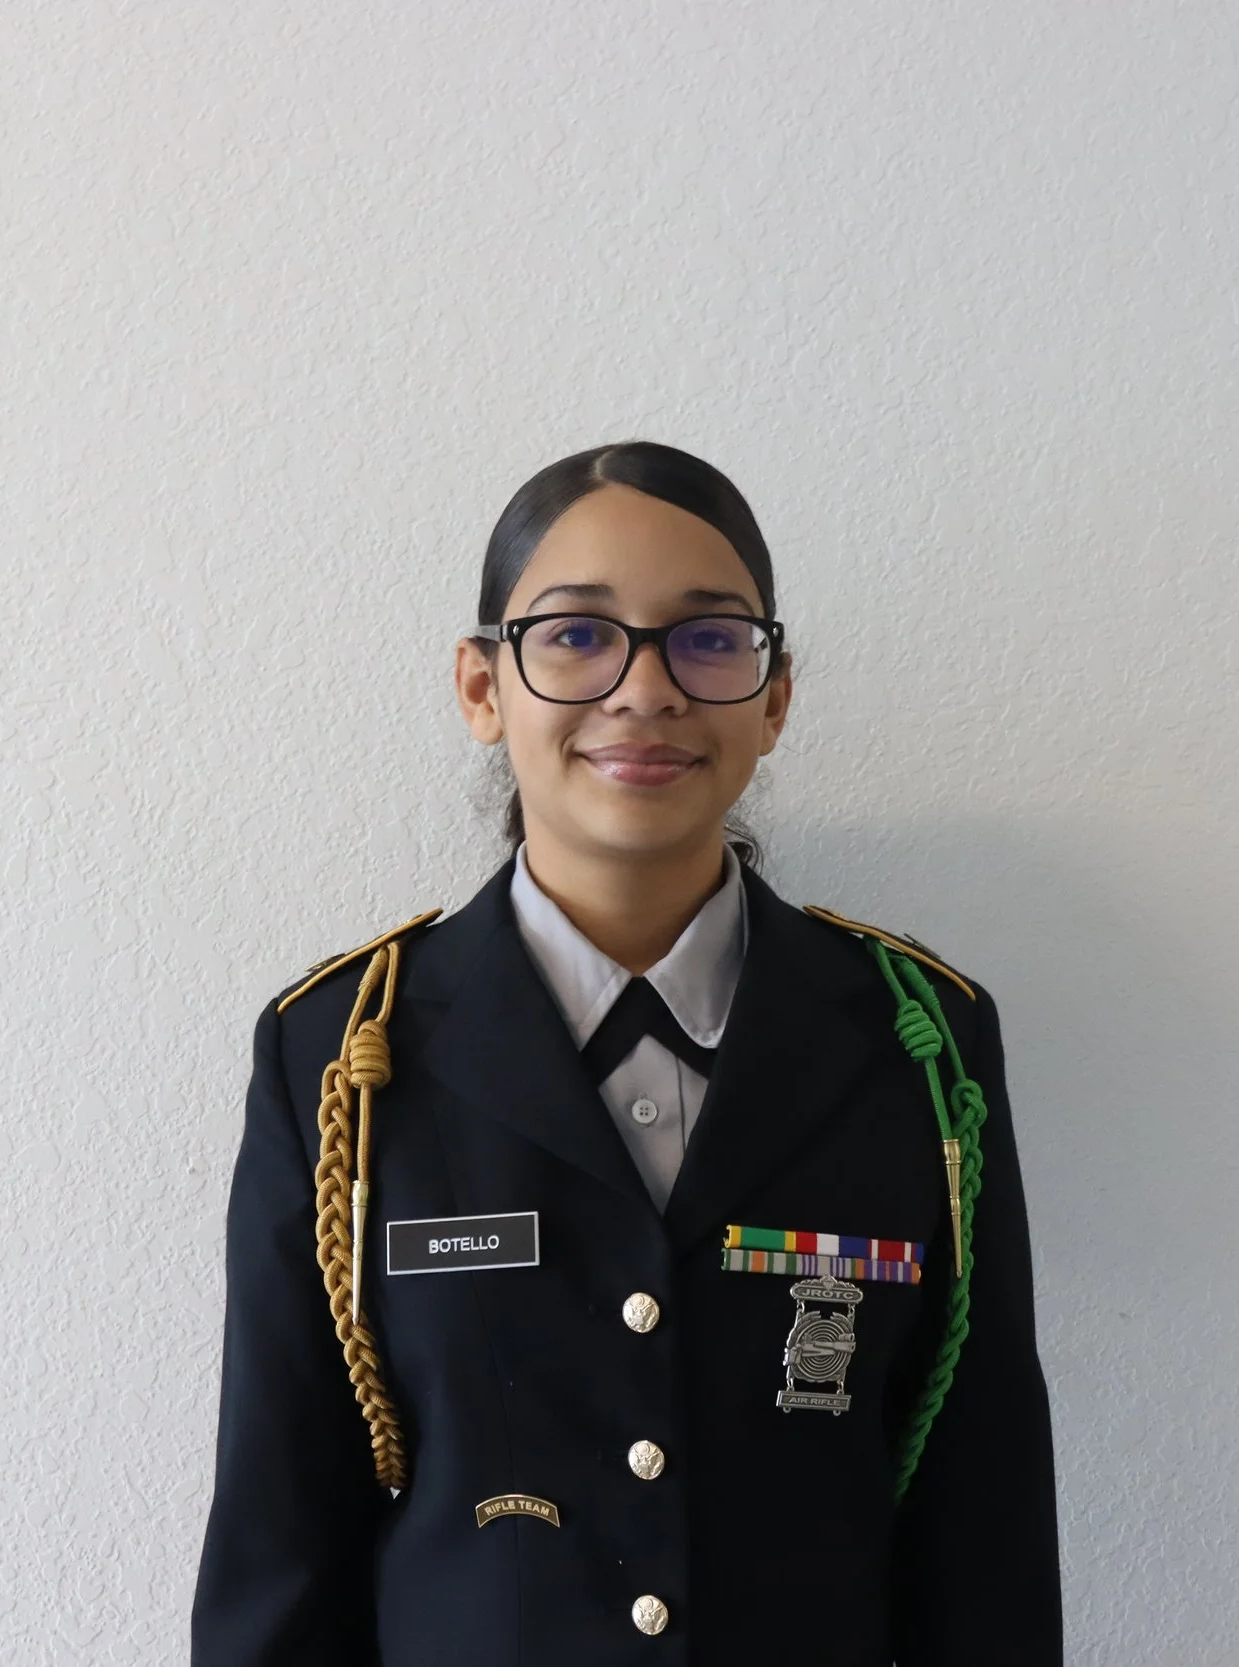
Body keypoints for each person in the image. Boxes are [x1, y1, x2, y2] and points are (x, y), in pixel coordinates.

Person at [190, 440, 1062, 1665]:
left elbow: (982, 1524)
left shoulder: (920, 1043)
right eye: (576, 635)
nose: (644, 690)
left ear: (774, 696)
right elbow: (281, 1535)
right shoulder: (343, 1054)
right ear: (482, 685)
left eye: (709, 640)